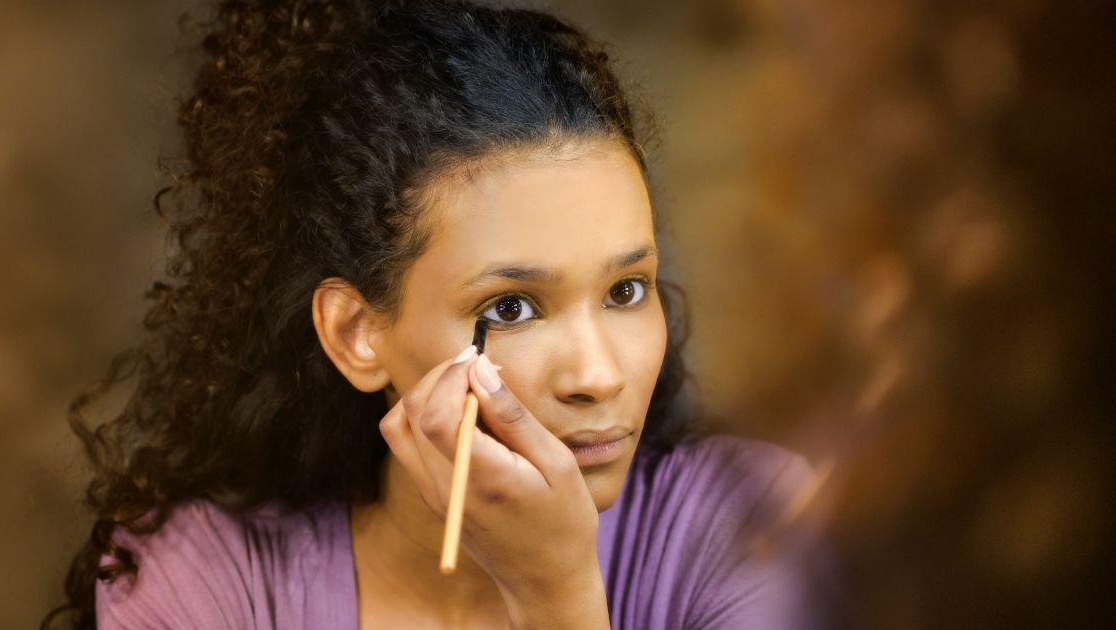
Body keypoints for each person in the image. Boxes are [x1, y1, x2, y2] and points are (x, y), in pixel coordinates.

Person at [43, 1, 818, 628]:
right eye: (510, 307)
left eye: (625, 291)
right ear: (356, 335)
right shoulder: (203, 578)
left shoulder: (754, 528)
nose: (596, 374)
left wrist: (555, 597)